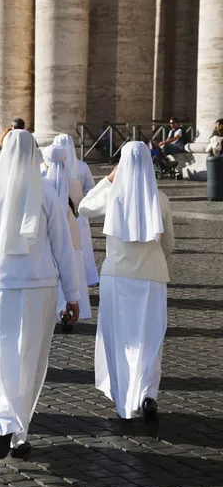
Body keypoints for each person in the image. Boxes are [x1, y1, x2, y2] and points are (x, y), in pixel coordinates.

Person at [0, 130, 80, 459]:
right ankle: (18, 434)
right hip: (39, 289)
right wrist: (73, 295)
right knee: (30, 361)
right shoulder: (45, 194)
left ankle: (2, 421)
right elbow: (63, 248)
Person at [79, 141, 174, 422]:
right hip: (153, 276)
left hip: (117, 275)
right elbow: (168, 244)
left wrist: (108, 179)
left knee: (120, 337)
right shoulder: (161, 198)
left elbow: (84, 207)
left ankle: (123, 399)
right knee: (150, 338)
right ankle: (148, 394)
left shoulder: (112, 196)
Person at [42, 144, 91, 332]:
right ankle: (67, 307)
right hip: (71, 229)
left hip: (48, 233)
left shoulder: (43, 183)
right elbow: (79, 207)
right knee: (71, 267)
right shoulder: (74, 184)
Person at [53, 134, 98, 287]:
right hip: (77, 214)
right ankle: (84, 275)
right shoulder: (82, 166)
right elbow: (91, 190)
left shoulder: (47, 167)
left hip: (59, 213)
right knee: (81, 246)